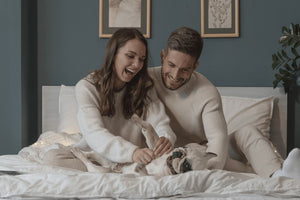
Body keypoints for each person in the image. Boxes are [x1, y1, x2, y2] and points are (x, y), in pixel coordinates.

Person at [148, 26, 300, 179]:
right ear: (162, 56)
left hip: (203, 153)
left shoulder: (206, 92)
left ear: (195, 66)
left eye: (185, 69)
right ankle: (273, 174)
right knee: (248, 171)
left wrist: (204, 170)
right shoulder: (145, 80)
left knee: (246, 131)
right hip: (165, 158)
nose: (175, 75)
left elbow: (217, 142)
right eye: (171, 65)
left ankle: (280, 176)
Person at [43, 28, 176, 171]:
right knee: (52, 158)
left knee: (171, 163)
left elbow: (160, 121)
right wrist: (132, 152)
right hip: (101, 154)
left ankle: (114, 170)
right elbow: (94, 133)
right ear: (113, 55)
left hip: (137, 156)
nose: (137, 64)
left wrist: (165, 138)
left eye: (142, 59)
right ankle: (115, 169)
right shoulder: (87, 87)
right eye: (130, 56)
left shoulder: (145, 88)